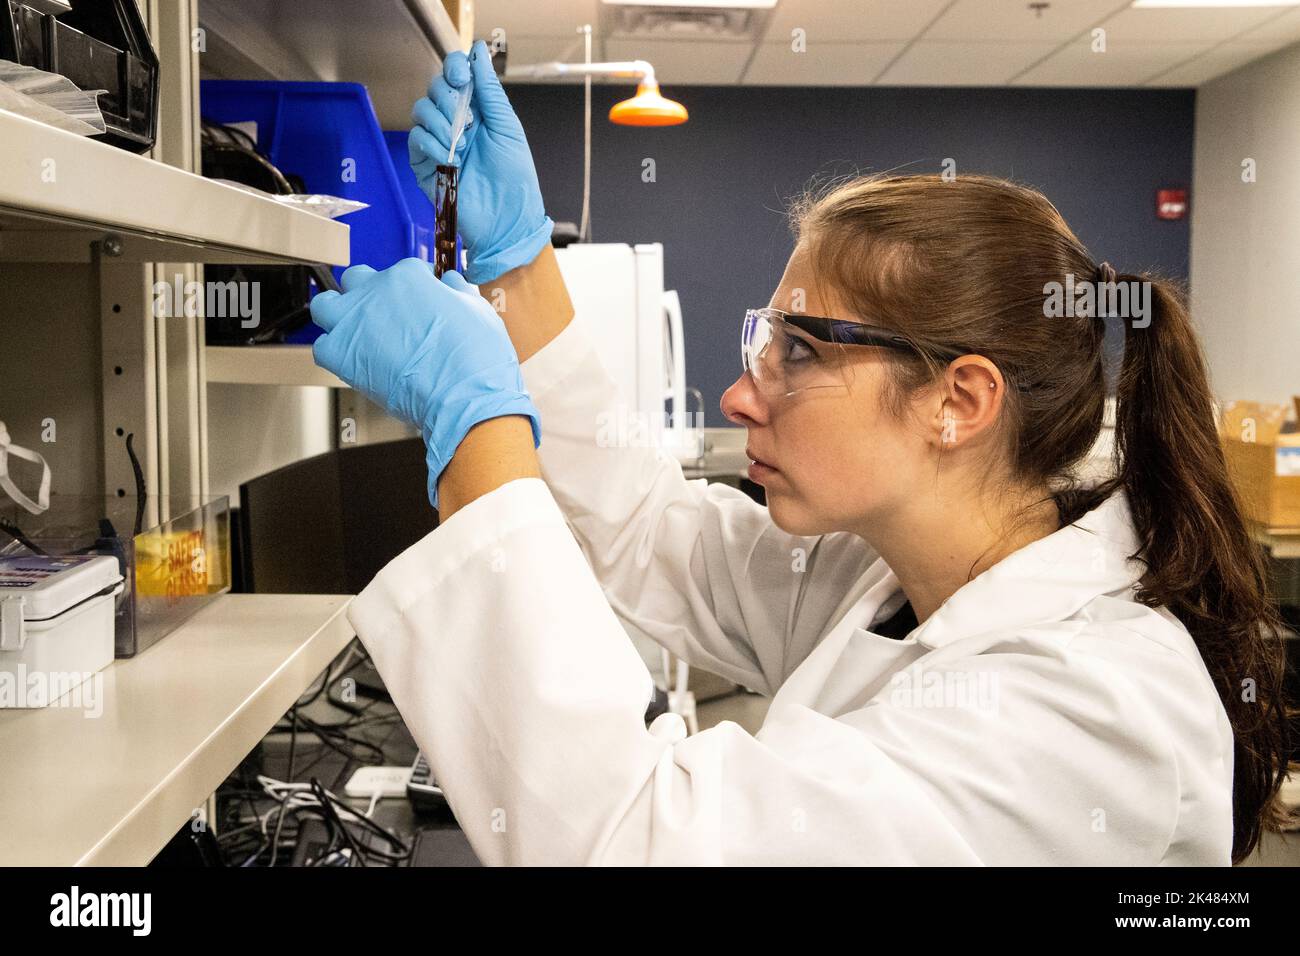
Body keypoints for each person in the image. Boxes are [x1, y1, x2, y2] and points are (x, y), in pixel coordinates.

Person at [308, 41, 1291, 865]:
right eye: (759, 341)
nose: (741, 394)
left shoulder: (1086, 705)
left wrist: (476, 421)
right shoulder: (897, 576)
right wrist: (520, 268)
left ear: (958, 401)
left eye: (798, 351)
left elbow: (641, 843)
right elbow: (653, 533)